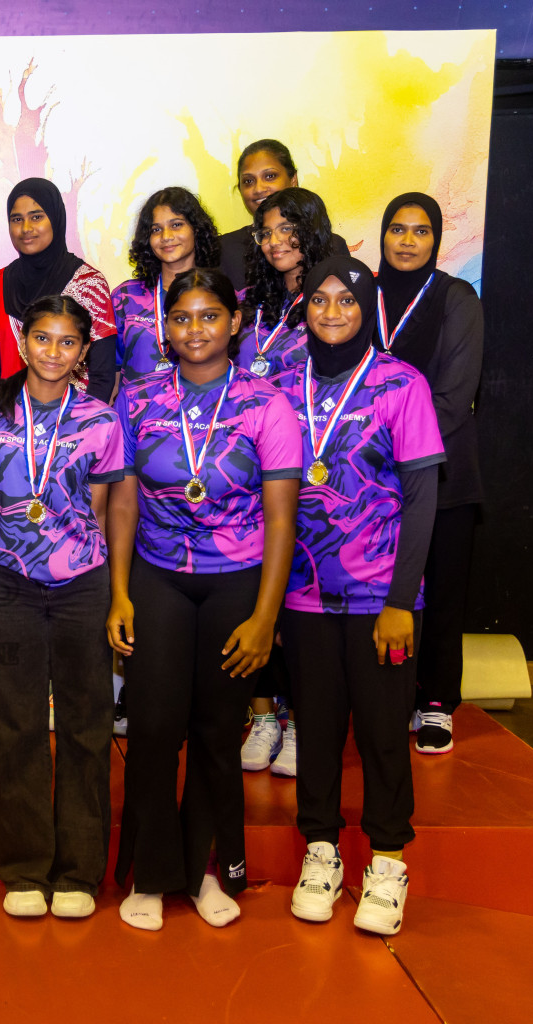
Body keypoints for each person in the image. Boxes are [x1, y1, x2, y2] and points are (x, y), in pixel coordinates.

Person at [110, 268, 301, 931]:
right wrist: (119, 594)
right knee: (156, 730)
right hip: (157, 576)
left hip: (237, 580)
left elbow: (282, 519)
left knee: (217, 734)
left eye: (209, 316)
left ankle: (206, 870)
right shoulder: (135, 399)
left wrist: (264, 616)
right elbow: (125, 501)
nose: (196, 329)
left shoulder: (267, 404)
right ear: (165, 328)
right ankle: (152, 873)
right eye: (182, 318)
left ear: (235, 323)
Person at [276, 255, 444, 937]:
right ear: (304, 308)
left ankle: (387, 860)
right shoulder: (282, 385)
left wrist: (402, 599)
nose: (332, 311)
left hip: (382, 599)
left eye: (347, 300)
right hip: (305, 598)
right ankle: (320, 852)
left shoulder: (402, 384)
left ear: (367, 307)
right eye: (319, 299)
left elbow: (423, 494)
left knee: (380, 734)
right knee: (314, 731)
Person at [0, 295, 127, 919]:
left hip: (82, 585)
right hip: (10, 584)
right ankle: (23, 869)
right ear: (22, 342)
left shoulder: (103, 420)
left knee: (86, 725)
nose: (53, 351)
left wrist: (109, 590)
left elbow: (105, 513)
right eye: (42, 339)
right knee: (17, 725)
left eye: (67, 342)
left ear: (83, 352)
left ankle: (79, 872)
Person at [373, 192, 485, 755]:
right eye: (397, 229)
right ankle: (388, 694)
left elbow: (456, 394)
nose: (408, 241)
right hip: (367, 485)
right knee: (386, 593)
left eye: (420, 231)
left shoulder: (455, 298)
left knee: (441, 590)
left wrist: (393, 451)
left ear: (436, 239)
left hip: (440, 475)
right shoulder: (362, 297)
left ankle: (436, 701)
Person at [236, 186, 339, 777]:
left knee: (300, 600)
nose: (275, 242)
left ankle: (300, 721)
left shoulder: (332, 299)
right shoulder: (253, 302)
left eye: (286, 230)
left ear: (311, 230)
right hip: (243, 471)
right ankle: (264, 715)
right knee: (254, 594)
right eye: (265, 232)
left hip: (308, 467)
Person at [0, 177, 117, 400]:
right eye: (17, 219)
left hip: (72, 422)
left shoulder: (89, 284)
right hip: (12, 422)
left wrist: (86, 424)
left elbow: (102, 375)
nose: (26, 228)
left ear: (55, 218)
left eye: (36, 217)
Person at [110, 187, 222, 383]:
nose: (166, 236)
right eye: (156, 229)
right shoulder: (125, 298)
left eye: (177, 225)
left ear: (196, 230)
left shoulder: (221, 295)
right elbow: (112, 371)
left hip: (203, 410)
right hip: (137, 411)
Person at [218, 140, 349, 291]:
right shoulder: (224, 249)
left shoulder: (332, 245)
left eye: (270, 176)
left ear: (293, 179)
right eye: (248, 181)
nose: (259, 188)